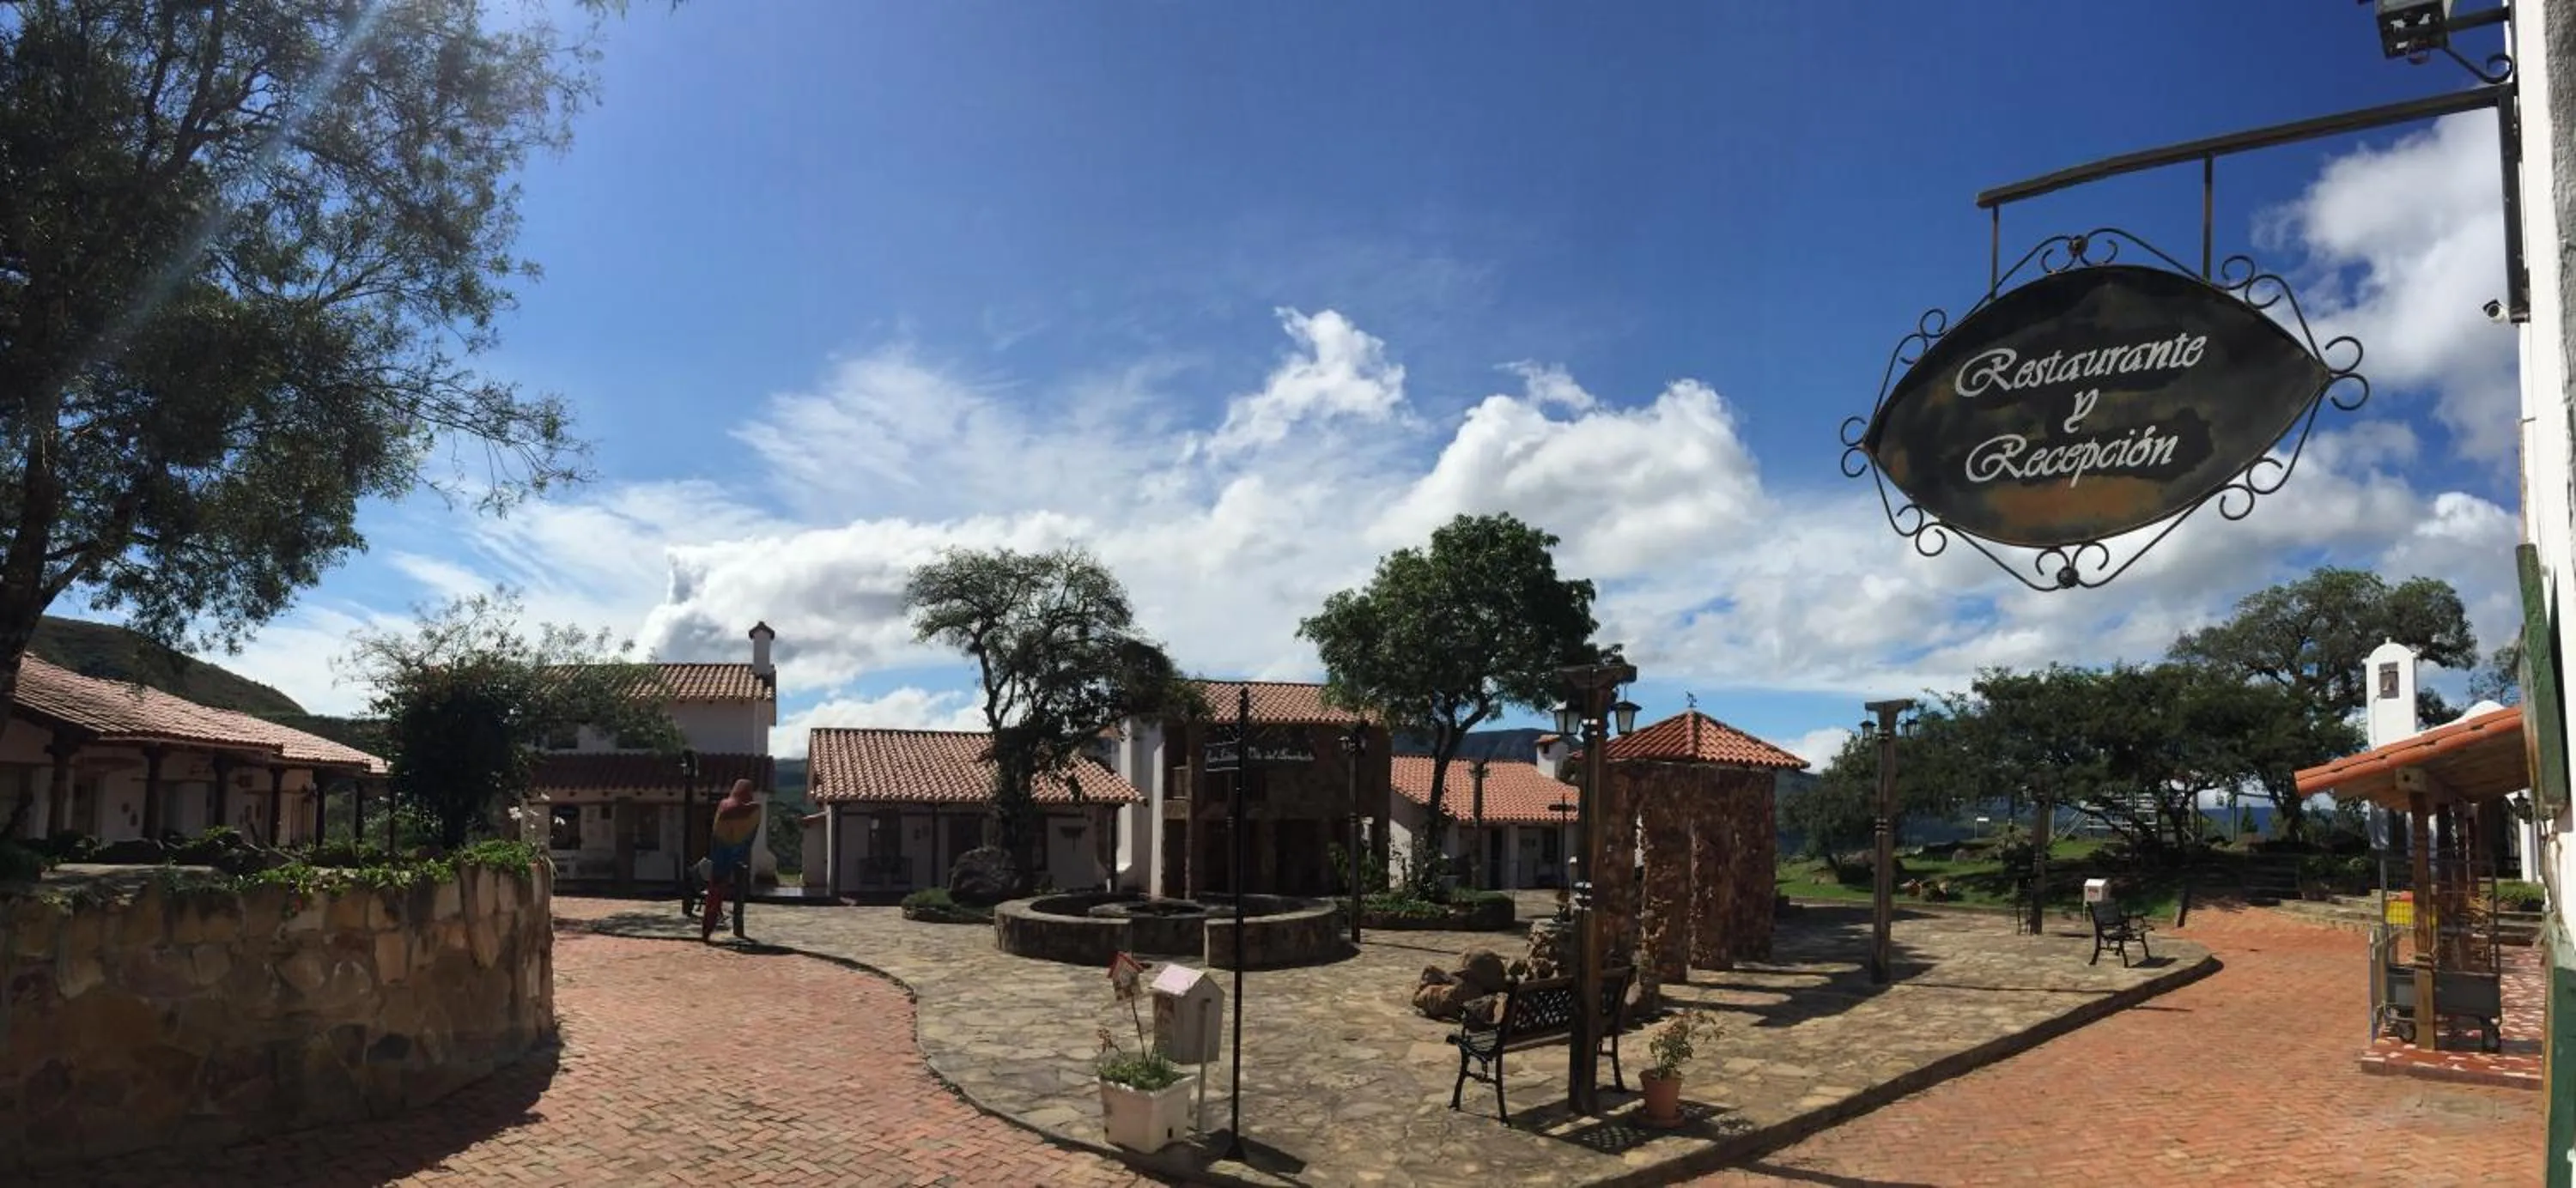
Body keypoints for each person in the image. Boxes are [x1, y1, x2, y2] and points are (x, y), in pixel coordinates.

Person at [701, 779, 762, 941]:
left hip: (718, 855)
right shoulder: (752, 809)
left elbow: (715, 834)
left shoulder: (723, 805)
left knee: (714, 893)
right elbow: (748, 836)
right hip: (733, 856)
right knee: (724, 892)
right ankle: (730, 926)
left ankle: (707, 928)